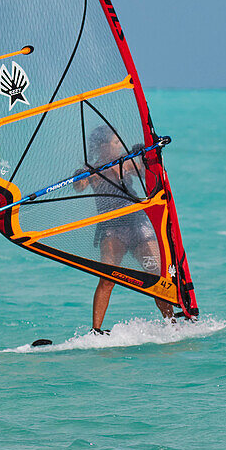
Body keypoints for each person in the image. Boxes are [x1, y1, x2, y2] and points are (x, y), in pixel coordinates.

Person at [73, 126, 174, 332]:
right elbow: (79, 186)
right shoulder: (91, 170)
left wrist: (146, 157)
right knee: (108, 279)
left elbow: (149, 174)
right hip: (112, 229)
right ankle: (96, 330)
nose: (120, 146)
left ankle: (172, 325)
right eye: (115, 143)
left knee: (156, 275)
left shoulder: (125, 164)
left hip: (138, 223)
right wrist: (81, 175)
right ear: (103, 146)